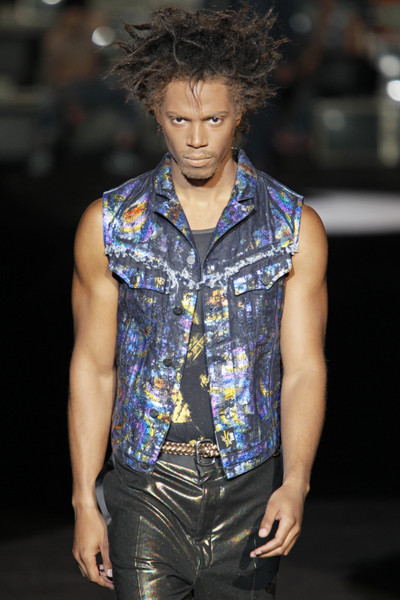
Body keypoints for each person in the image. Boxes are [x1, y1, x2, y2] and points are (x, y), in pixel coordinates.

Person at [68, 5, 327, 599]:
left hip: (250, 486)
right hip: (146, 487)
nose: (197, 138)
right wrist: (84, 500)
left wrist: (296, 483)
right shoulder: (111, 225)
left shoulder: (292, 227)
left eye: (214, 118)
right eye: (179, 119)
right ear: (154, 114)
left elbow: (304, 368)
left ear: (242, 113)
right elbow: (93, 367)